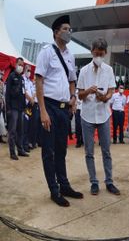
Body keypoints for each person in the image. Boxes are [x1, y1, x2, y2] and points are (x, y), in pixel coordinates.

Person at [35, 14, 83, 207]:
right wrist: (43, 111)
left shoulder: (70, 55)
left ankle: (64, 185)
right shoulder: (46, 52)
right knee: (49, 151)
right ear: (56, 32)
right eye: (65, 29)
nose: (69, 32)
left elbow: (72, 80)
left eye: (70, 30)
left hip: (64, 109)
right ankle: (54, 190)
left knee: (62, 150)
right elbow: (39, 81)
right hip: (50, 107)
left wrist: (73, 98)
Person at [77, 38, 121, 196]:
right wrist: (88, 90)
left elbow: (111, 91)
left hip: (103, 114)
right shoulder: (83, 71)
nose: (98, 57)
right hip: (87, 115)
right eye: (96, 54)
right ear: (91, 52)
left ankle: (109, 181)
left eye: (101, 54)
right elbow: (80, 95)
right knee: (89, 151)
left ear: (105, 53)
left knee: (106, 151)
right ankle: (94, 182)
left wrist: (105, 97)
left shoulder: (108, 70)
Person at [5, 57, 27, 159]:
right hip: (13, 107)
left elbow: (23, 93)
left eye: (22, 65)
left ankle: (20, 149)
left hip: (20, 108)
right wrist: (8, 108)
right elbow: (7, 93)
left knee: (20, 130)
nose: (21, 67)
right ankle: (12, 152)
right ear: (15, 64)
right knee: (12, 131)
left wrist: (24, 107)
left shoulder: (22, 78)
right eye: (19, 64)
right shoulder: (11, 76)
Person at [23, 64, 38, 151]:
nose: (29, 72)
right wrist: (30, 99)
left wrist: (32, 98)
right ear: (25, 70)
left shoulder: (29, 81)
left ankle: (28, 142)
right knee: (25, 125)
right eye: (28, 70)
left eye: (30, 71)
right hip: (26, 105)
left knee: (31, 124)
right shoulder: (23, 79)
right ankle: (24, 144)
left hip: (31, 104)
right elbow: (24, 92)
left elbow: (33, 91)